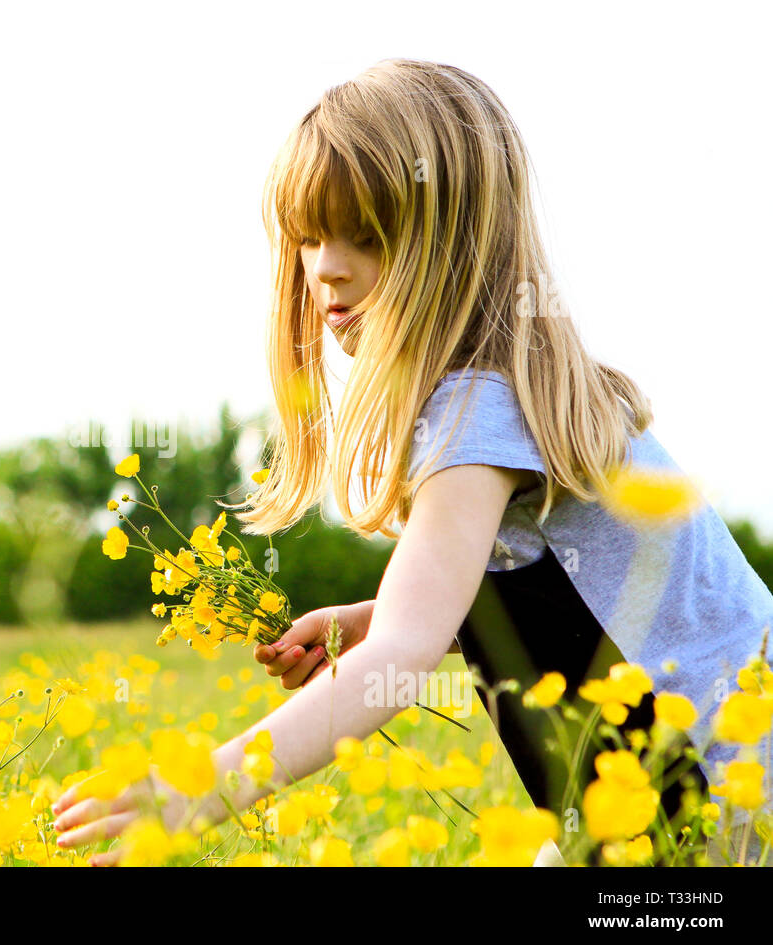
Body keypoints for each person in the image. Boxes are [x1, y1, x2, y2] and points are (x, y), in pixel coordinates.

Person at [52, 59, 773, 865]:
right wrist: (373, 618)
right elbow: (565, 595)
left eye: (365, 234)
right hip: (697, 780)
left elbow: (403, 657)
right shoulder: (516, 393)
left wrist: (202, 788)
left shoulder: (479, 414)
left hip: (722, 792)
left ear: (459, 247)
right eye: (309, 236)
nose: (326, 265)